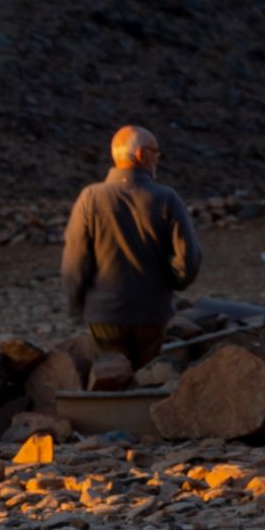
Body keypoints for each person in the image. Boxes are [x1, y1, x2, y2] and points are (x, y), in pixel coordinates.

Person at [61, 123, 202, 374]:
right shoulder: (168, 199)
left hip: (105, 314)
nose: (157, 159)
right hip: (153, 313)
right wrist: (170, 284)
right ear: (141, 155)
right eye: (155, 152)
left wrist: (77, 303)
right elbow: (188, 260)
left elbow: (75, 261)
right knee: (147, 378)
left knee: (110, 377)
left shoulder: (90, 198)